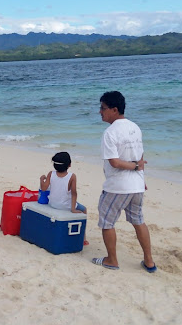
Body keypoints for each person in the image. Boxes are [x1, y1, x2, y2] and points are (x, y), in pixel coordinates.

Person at [92, 90, 156, 273]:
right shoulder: (135, 127)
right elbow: (141, 156)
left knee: (106, 222)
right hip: (136, 186)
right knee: (138, 221)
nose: (100, 112)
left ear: (114, 109)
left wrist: (135, 167)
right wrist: (140, 175)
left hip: (118, 186)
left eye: (103, 108)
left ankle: (111, 260)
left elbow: (114, 162)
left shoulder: (110, 132)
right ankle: (149, 261)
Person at [39, 151, 88, 245]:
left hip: (52, 203)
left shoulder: (50, 174)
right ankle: (83, 238)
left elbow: (44, 188)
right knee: (84, 209)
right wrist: (73, 209)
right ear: (69, 165)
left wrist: (41, 180)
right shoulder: (72, 176)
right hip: (65, 206)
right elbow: (74, 194)